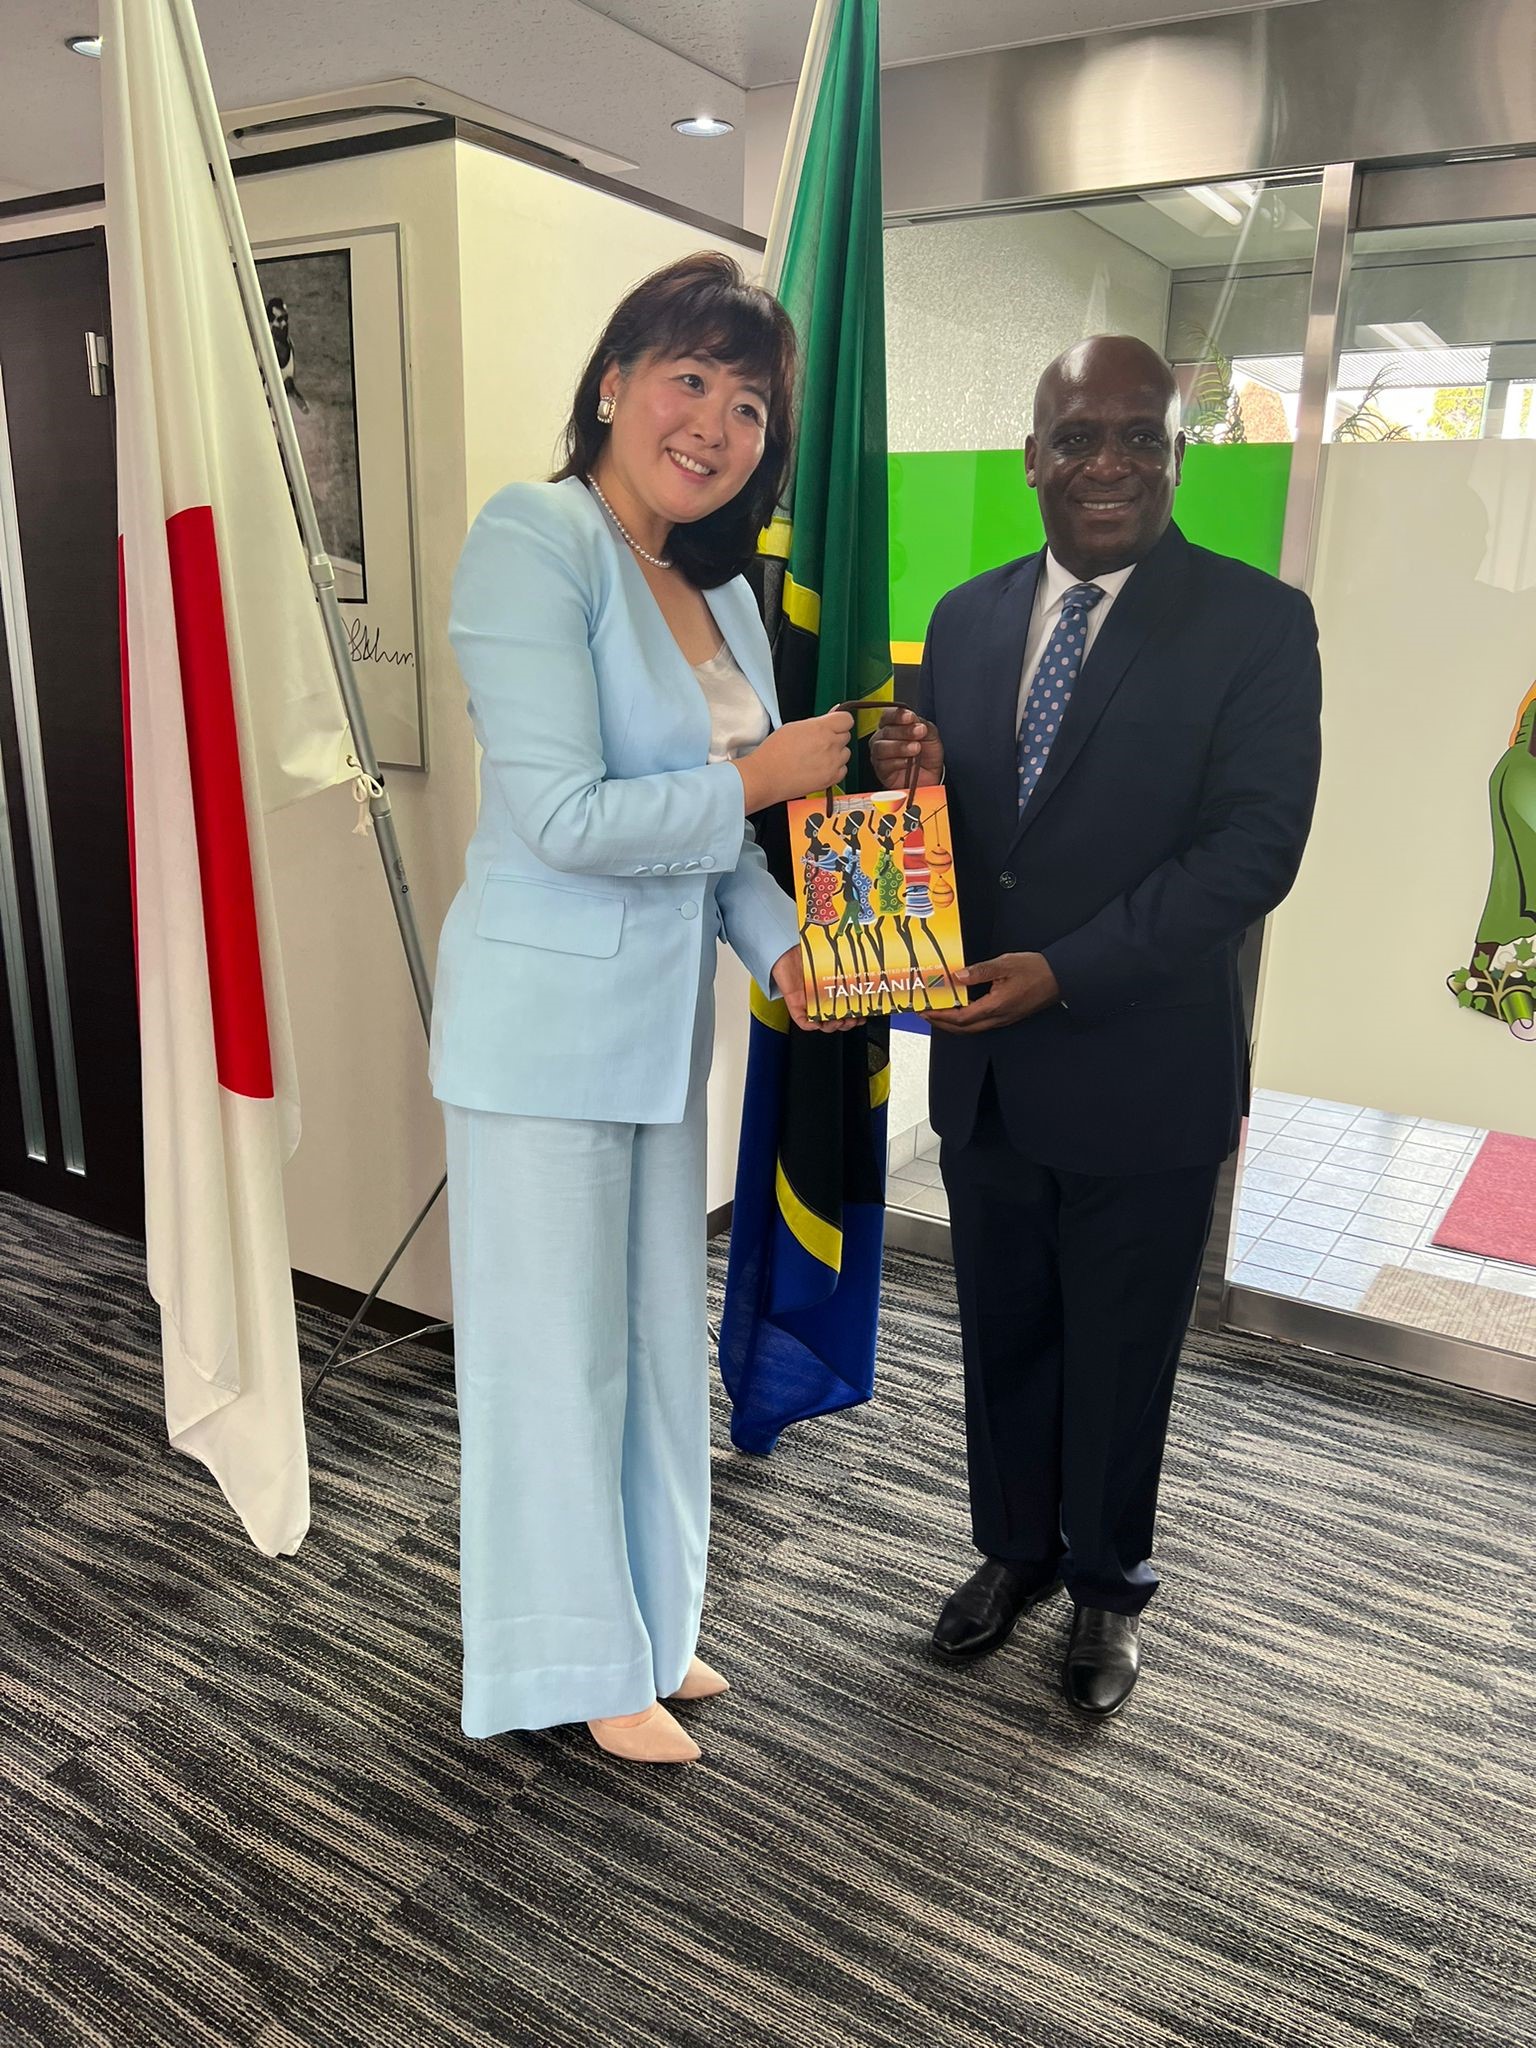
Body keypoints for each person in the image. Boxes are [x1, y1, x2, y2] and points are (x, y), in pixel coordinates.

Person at [431, 253, 854, 1764]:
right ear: (613, 384)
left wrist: (788, 951)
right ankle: (571, 1664)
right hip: (541, 1037)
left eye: (749, 407)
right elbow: (565, 818)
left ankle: (652, 1627)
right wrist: (762, 776)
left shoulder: (720, 587)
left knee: (653, 1347)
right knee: (554, 1366)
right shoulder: (534, 537)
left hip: (664, 1036)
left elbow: (721, 848)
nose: (715, 425)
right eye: (690, 380)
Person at [873, 335, 1322, 1717]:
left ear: (1178, 455)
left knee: (1124, 1352)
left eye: (1139, 436)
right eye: (1078, 437)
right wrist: (909, 782)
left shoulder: (1258, 622)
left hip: (1142, 1064)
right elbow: (964, 836)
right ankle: (1014, 1550)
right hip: (989, 1072)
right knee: (1005, 1328)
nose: (1108, 463)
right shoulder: (963, 618)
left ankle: (1109, 1584)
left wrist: (1065, 972)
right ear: (1034, 458)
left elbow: (1252, 854)